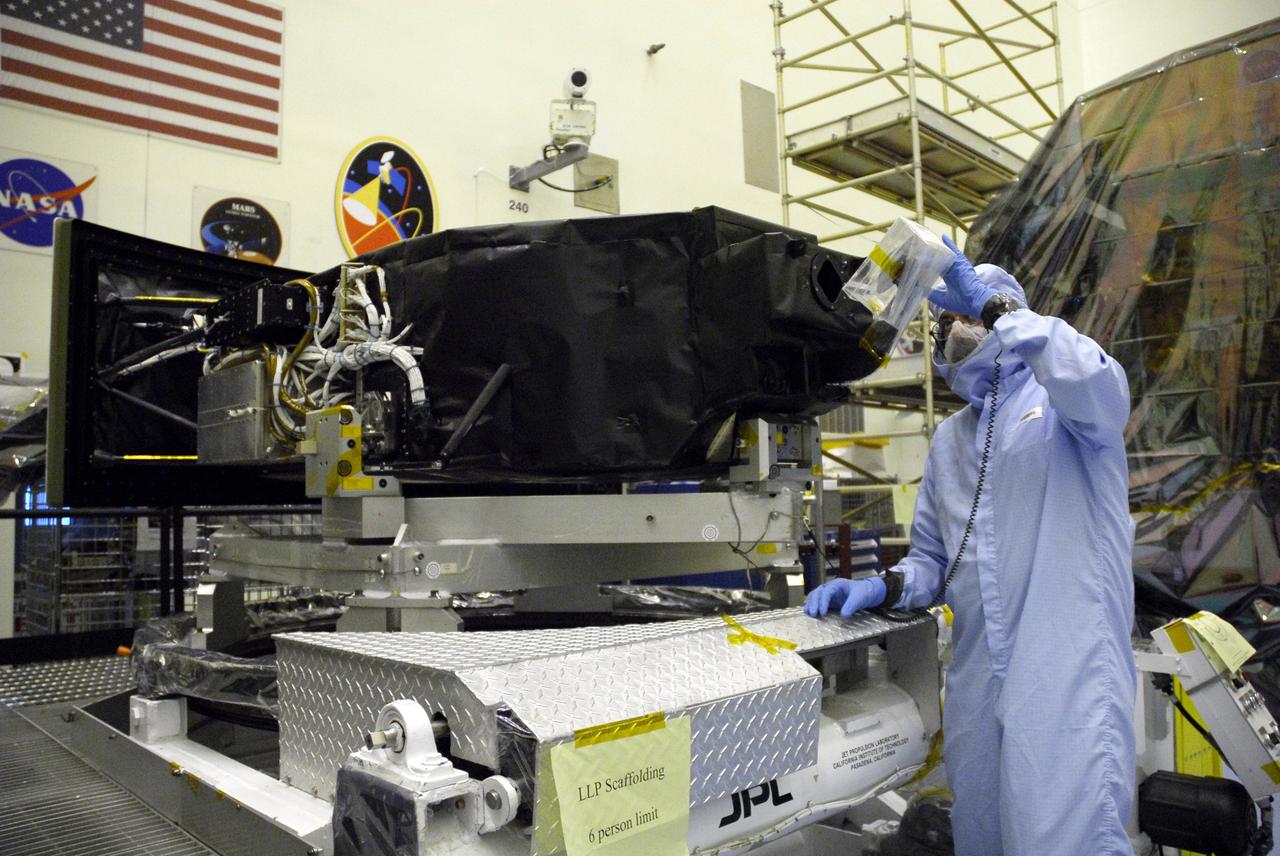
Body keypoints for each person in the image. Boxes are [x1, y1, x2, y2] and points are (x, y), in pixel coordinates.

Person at [806, 235, 1136, 855]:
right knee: (982, 834)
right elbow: (935, 556)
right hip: (979, 680)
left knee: (1062, 838)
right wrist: (887, 585)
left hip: (1065, 677)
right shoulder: (953, 440)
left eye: (967, 311)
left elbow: (1094, 381)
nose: (956, 326)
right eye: (947, 316)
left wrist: (991, 307)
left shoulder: (1069, 406)